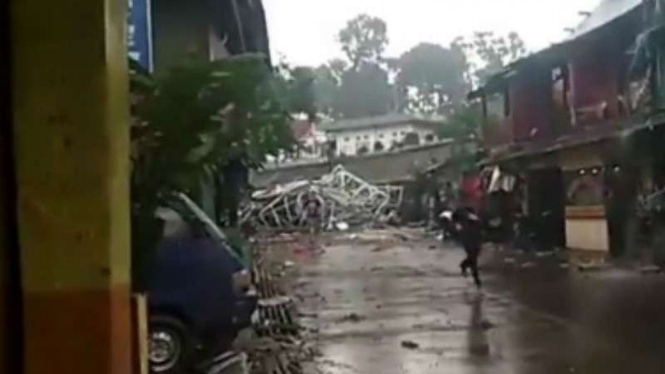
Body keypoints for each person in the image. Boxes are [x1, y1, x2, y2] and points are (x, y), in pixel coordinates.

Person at [452, 206, 483, 288]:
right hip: (468, 240)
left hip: (475, 239)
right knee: (473, 259)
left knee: (474, 256)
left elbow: (480, 227)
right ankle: (476, 279)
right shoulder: (462, 214)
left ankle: (464, 265)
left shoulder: (474, 215)